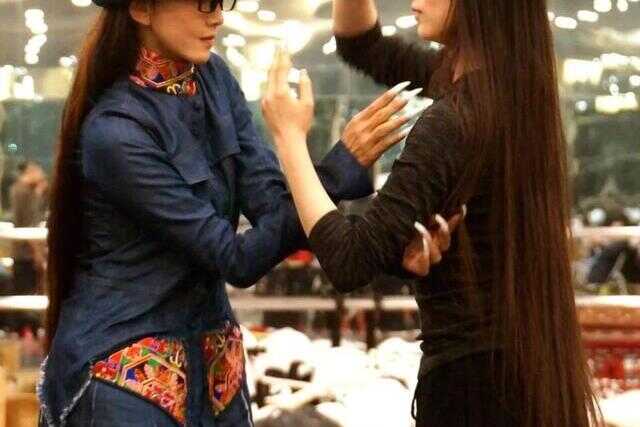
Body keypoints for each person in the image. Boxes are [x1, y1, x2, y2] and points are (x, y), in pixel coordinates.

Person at [38, 1, 458, 426]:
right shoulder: (114, 133)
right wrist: (333, 168)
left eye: (224, 2)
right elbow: (235, 258)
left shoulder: (214, 79)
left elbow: (272, 204)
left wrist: (379, 247)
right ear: (142, 9)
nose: (217, 16)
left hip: (215, 361)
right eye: (203, 2)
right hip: (124, 373)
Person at [261, 0, 602, 426]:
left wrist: (290, 139)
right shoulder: (512, 94)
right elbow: (360, 44)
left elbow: (349, 259)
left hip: (470, 391)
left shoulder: (454, 122)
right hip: (521, 373)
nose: (415, 1)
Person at [10, 160, 48, 295]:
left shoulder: (25, 190)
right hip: (26, 253)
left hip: (26, 252)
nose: (42, 174)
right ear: (30, 171)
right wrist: (38, 254)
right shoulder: (22, 191)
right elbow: (29, 223)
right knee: (25, 291)